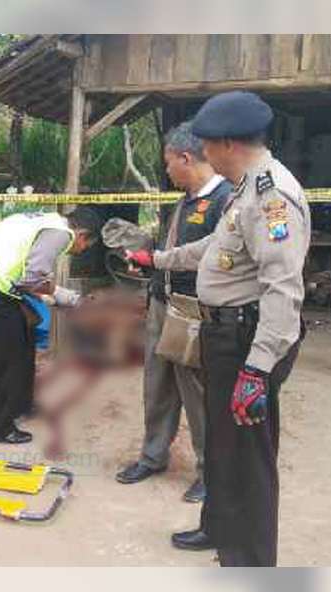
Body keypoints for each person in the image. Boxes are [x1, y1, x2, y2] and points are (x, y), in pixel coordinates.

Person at [128, 91, 310, 566]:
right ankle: (220, 529)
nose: (202, 154)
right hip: (223, 335)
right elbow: (215, 245)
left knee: (248, 457)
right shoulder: (247, 187)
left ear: (226, 143)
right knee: (224, 448)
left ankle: (249, 561)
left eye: (206, 145)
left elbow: (283, 290)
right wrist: (160, 260)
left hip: (248, 340)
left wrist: (258, 369)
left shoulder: (273, 197)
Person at [116, 122, 232, 504]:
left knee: (197, 394)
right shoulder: (183, 200)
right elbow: (169, 253)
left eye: (169, 164)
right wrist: (149, 263)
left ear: (186, 158)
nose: (166, 171)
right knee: (158, 386)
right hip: (162, 304)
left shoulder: (225, 201)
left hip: (194, 312)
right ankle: (153, 456)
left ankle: (210, 472)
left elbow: (221, 260)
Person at [0, 207, 101, 444]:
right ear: (82, 234)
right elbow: (32, 279)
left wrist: (51, 296)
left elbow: (25, 275)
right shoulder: (61, 234)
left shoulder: (43, 219)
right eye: (86, 245)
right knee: (8, 359)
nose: (82, 250)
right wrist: (68, 298)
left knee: (25, 340)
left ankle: (21, 403)